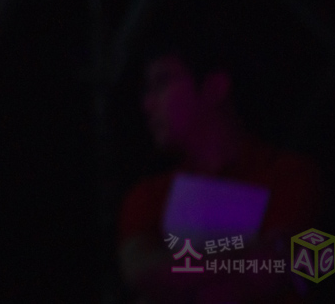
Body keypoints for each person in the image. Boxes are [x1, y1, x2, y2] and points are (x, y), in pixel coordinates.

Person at [118, 27, 321, 304]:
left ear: (215, 87)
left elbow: (301, 267)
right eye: (147, 89)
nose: (147, 104)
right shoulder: (149, 195)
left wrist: (177, 269)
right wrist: (249, 253)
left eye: (163, 82)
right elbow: (141, 271)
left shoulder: (292, 175)